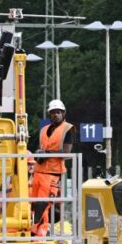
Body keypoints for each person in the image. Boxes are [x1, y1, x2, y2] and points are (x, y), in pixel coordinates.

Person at [31, 100, 74, 236]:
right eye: (53, 113)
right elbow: (44, 147)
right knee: (34, 203)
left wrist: (47, 154)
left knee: (43, 204)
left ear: (63, 113)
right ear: (49, 114)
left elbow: (66, 153)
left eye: (58, 112)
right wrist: (39, 153)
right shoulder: (44, 130)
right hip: (39, 170)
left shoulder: (68, 129)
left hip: (53, 173)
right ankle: (38, 231)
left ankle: (36, 230)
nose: (56, 115)